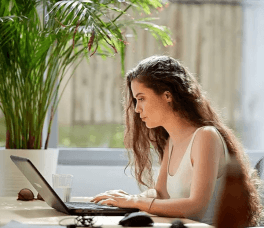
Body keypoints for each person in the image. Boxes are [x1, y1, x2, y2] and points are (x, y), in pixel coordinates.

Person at [91, 55, 263, 226]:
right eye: (136, 100)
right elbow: (161, 195)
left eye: (141, 98)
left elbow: (196, 207)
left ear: (167, 95)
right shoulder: (172, 142)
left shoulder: (206, 136)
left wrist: (134, 202)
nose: (136, 109)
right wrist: (124, 198)